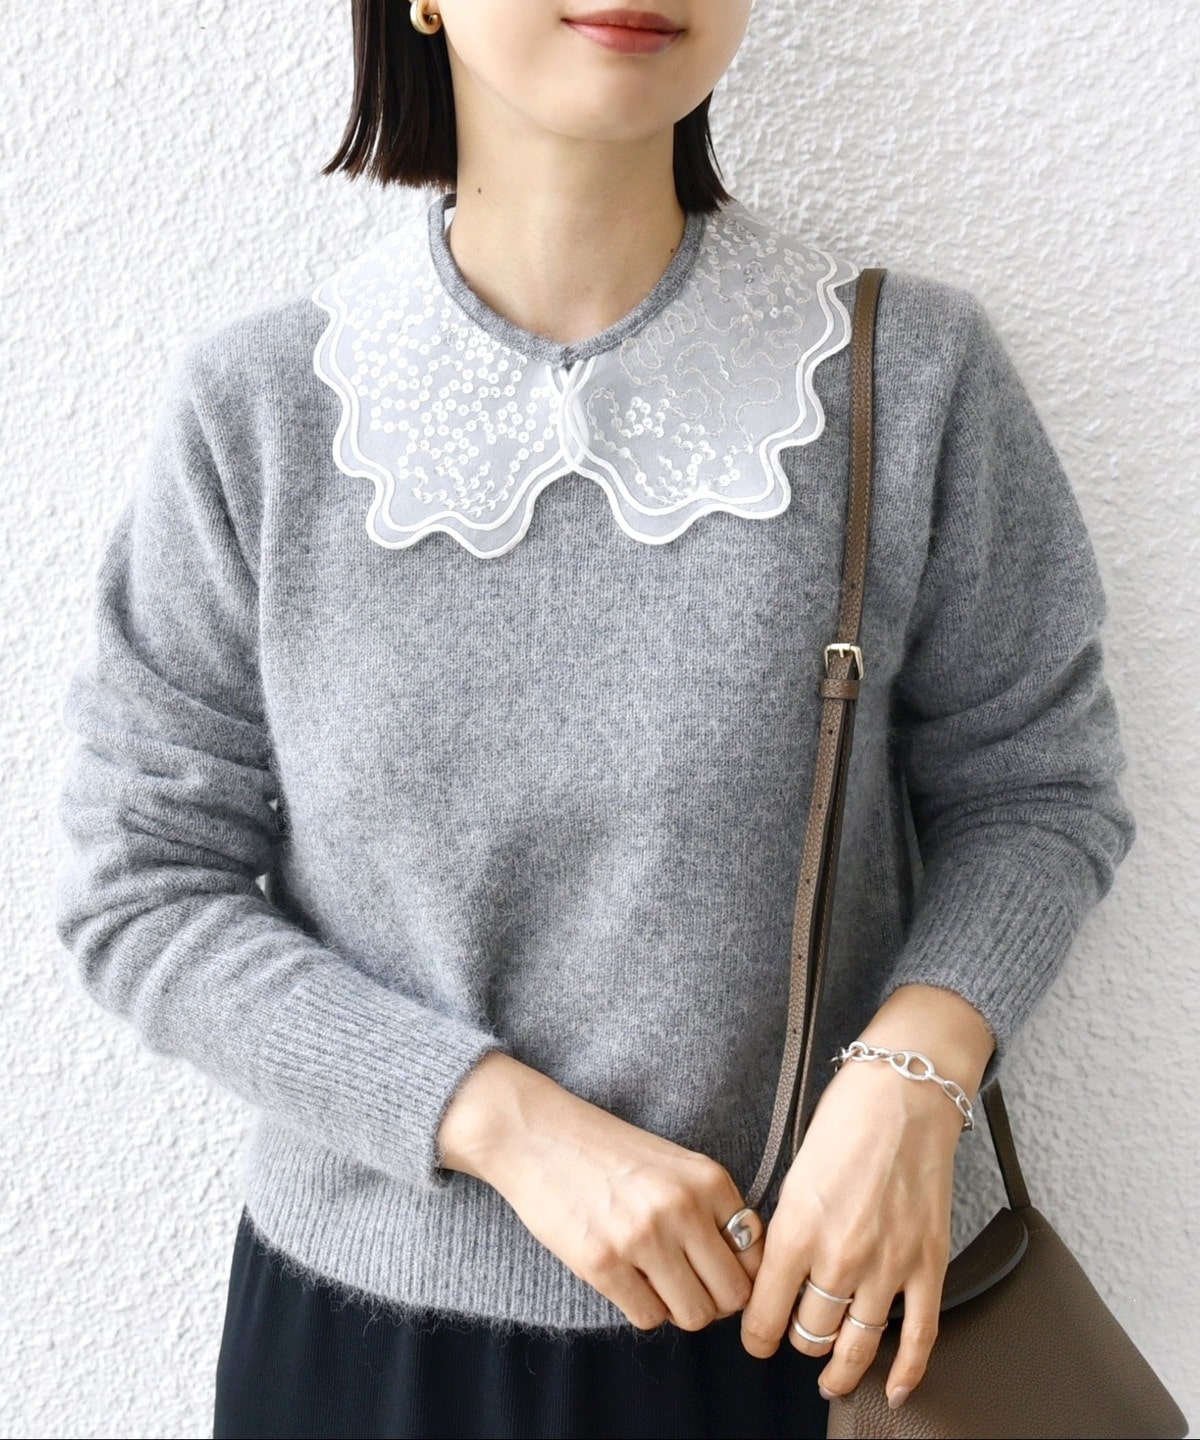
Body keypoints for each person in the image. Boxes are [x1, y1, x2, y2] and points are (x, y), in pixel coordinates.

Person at [53, 3, 1136, 1437]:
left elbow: (1038, 789)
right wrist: (507, 1125)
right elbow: (142, 888)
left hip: (821, 1323)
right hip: (373, 1352)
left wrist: (914, 1073)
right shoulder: (256, 413)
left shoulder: (908, 374)